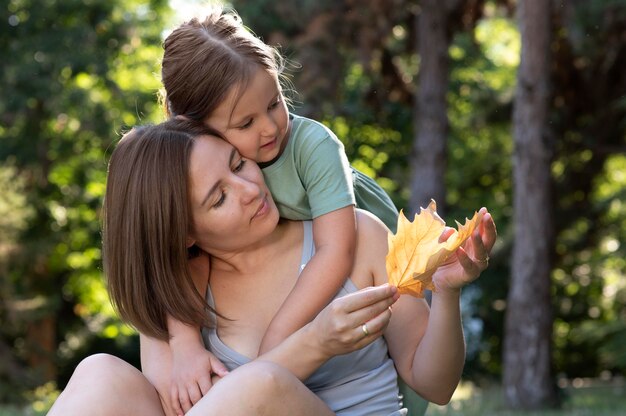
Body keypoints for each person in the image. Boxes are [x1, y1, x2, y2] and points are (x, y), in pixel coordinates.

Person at [50, 119, 496, 415]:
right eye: (219, 197)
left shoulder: (355, 237)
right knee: (99, 373)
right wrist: (316, 342)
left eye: (239, 163)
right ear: (184, 233)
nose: (248, 189)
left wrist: (447, 291)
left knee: (261, 384)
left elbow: (437, 386)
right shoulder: (175, 299)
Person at [158, 8, 405, 411]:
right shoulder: (194, 180)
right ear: (194, 127)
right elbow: (180, 262)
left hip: (352, 249)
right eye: (246, 123)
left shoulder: (311, 147)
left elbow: (336, 250)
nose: (271, 129)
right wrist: (184, 343)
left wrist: (275, 344)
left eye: (275, 103)